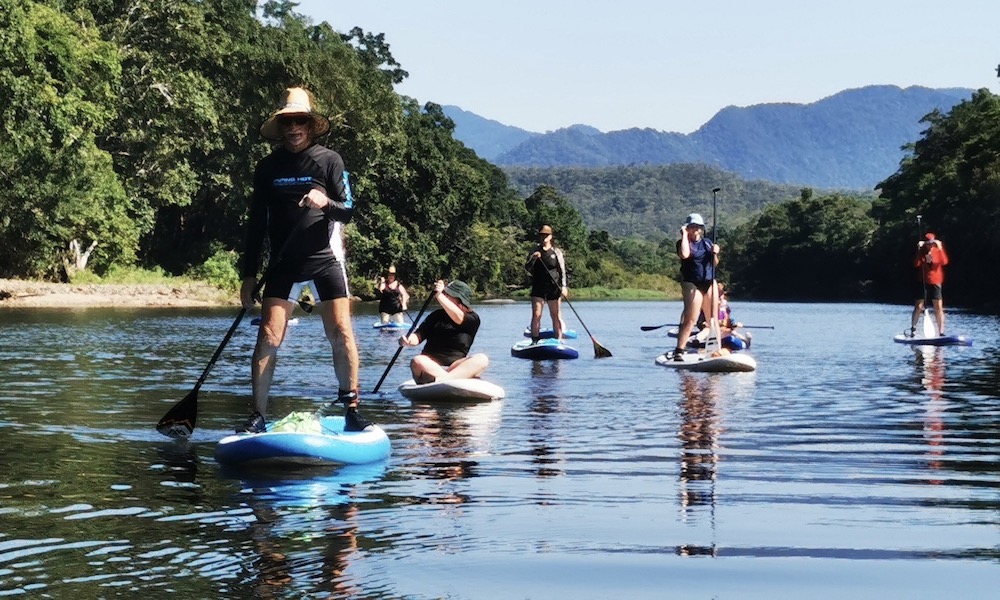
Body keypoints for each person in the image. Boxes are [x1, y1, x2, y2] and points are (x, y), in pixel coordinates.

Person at [238, 86, 370, 434]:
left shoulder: (330, 161)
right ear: (280, 128)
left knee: (340, 332)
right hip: (282, 264)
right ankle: (257, 416)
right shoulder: (267, 168)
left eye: (300, 121)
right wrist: (248, 275)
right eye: (287, 122)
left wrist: (324, 201)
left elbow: (349, 211)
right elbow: (255, 225)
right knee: (268, 335)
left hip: (325, 259)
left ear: (310, 125)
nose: (293, 127)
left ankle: (352, 408)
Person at [398, 280, 489, 384]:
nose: (445, 296)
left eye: (448, 295)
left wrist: (439, 296)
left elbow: (458, 317)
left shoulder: (472, 318)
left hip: (455, 368)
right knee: (417, 361)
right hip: (430, 366)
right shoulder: (435, 316)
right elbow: (418, 336)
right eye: (444, 294)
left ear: (459, 299)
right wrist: (408, 339)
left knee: (482, 359)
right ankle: (452, 380)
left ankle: (445, 380)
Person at [671, 213, 720, 361]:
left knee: (713, 319)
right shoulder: (682, 243)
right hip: (692, 283)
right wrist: (684, 235)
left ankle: (715, 348)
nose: (695, 230)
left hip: (709, 282)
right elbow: (685, 255)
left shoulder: (707, 243)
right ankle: (679, 350)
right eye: (692, 227)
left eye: (698, 227)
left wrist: (715, 254)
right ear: (687, 228)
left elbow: (714, 263)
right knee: (690, 319)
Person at [525, 225, 568, 343]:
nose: (544, 237)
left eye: (546, 235)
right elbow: (527, 268)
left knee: (556, 315)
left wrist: (564, 287)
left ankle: (558, 340)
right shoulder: (534, 251)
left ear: (550, 237)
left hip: (554, 287)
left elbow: (562, 271)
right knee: (536, 315)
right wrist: (533, 258)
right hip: (538, 287)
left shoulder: (556, 252)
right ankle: (534, 340)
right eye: (542, 235)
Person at [909, 232, 949, 337]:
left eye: (932, 243)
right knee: (919, 305)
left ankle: (941, 331)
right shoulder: (921, 251)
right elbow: (916, 264)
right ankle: (913, 328)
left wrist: (940, 248)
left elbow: (944, 261)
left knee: (938, 307)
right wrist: (918, 250)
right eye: (928, 244)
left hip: (936, 281)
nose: (930, 246)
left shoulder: (937, 250)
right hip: (923, 281)